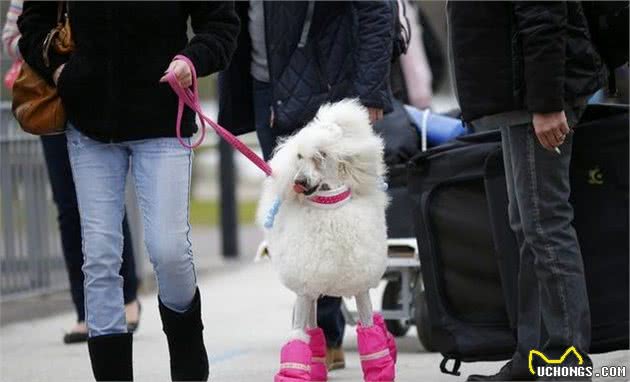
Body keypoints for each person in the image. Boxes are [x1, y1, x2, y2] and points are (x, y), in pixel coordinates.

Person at [17, 2, 239, 380]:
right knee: (101, 257)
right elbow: (33, 23)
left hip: (163, 119)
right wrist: (60, 71)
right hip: (89, 126)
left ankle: (188, 362)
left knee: (169, 251)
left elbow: (221, 25)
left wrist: (191, 61)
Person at [218, 0, 394, 371]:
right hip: (265, 87)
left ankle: (327, 334)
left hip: (325, 86)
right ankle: (316, 331)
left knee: (332, 214)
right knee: (294, 215)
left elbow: (377, 11)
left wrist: (371, 91)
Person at [447, 2, 606, 380]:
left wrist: (547, 104)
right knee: (528, 226)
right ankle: (533, 357)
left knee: (545, 224)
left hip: (535, 99)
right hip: (519, 96)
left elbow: (544, 18)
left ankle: (566, 360)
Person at [2, 0, 141, 345]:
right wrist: (50, 48)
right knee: (67, 206)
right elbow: (12, 36)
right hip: (56, 100)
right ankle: (85, 311)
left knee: (105, 205)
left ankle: (126, 297)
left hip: (99, 99)